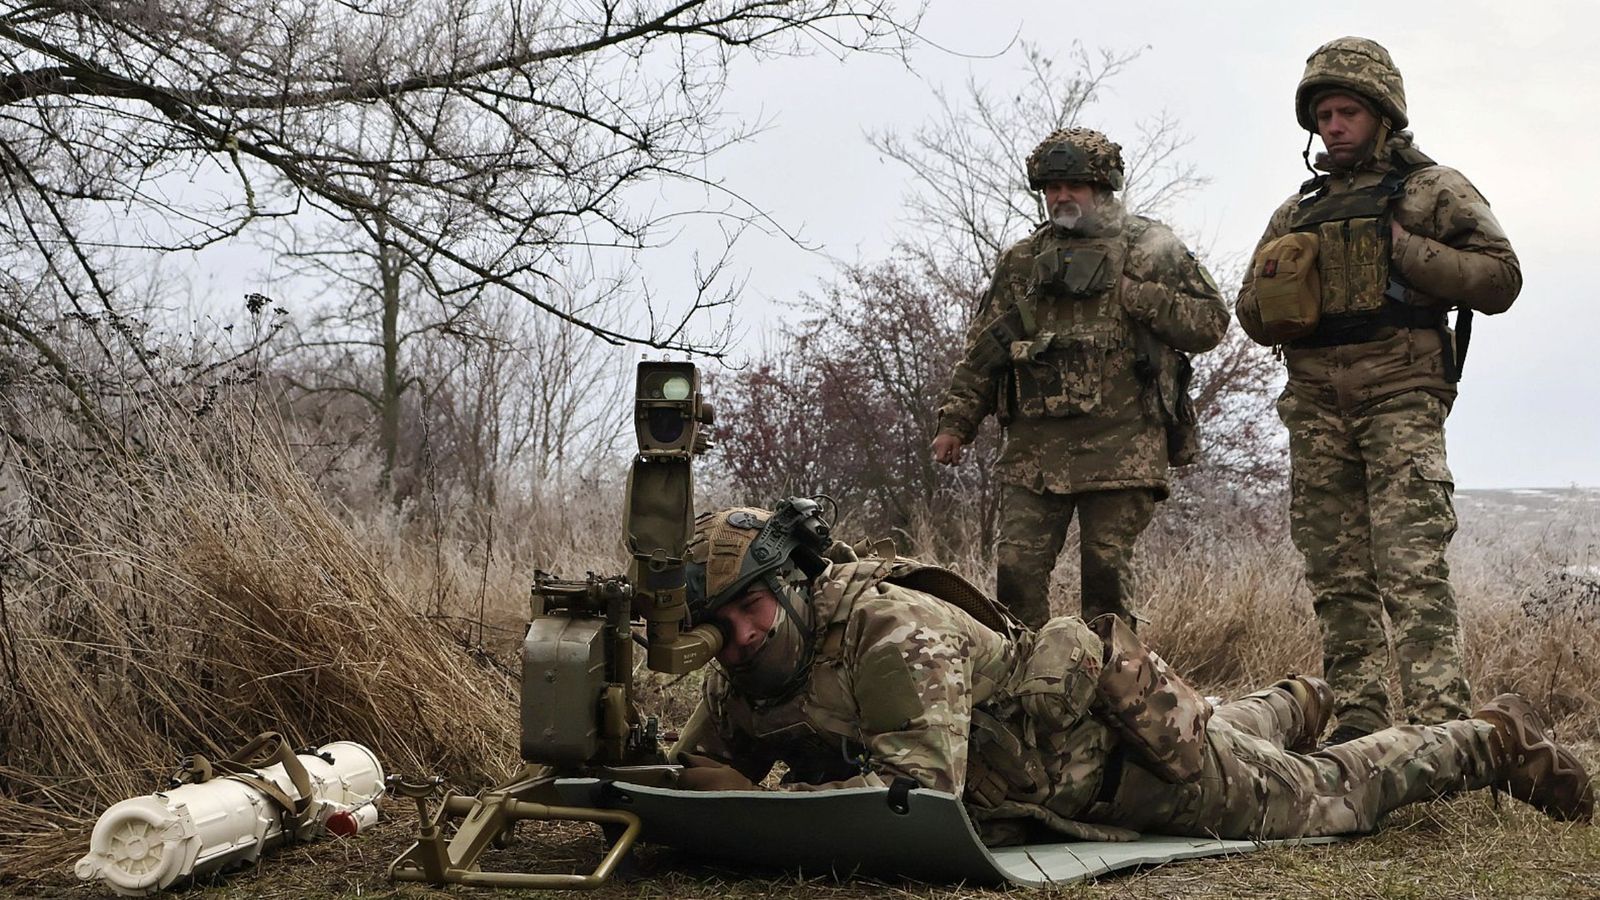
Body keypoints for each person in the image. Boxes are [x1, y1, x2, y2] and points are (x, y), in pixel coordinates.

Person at [672, 502, 1592, 846]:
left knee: (1337, 796)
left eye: (754, 611)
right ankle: (1295, 701)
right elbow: (699, 778)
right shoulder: (744, 667)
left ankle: (1491, 737)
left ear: (794, 588)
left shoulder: (888, 637)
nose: (743, 637)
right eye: (723, 626)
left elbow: (912, 808)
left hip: (1127, 769)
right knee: (1247, 733)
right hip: (1067, 766)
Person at [1235, 37, 1521, 744]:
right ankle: (1362, 725)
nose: (1333, 126)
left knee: (1410, 567)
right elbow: (1248, 313)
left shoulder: (1433, 189)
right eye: (1323, 114)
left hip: (1401, 395)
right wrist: (1284, 288)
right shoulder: (1297, 212)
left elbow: (1501, 278)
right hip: (1315, 407)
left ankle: (1439, 731)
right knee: (1336, 573)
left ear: (1382, 115)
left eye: (1347, 112)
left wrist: (1408, 252)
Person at [932, 127, 1228, 630]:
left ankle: (1112, 697)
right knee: (1015, 576)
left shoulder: (1150, 248)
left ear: (1102, 187)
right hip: (1034, 452)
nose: (1061, 197)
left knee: (1106, 583)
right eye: (1051, 188)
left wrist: (1142, 298)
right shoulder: (1023, 262)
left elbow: (1211, 324)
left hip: (1123, 447)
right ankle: (1024, 694)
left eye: (1073, 185)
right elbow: (985, 352)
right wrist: (956, 423)